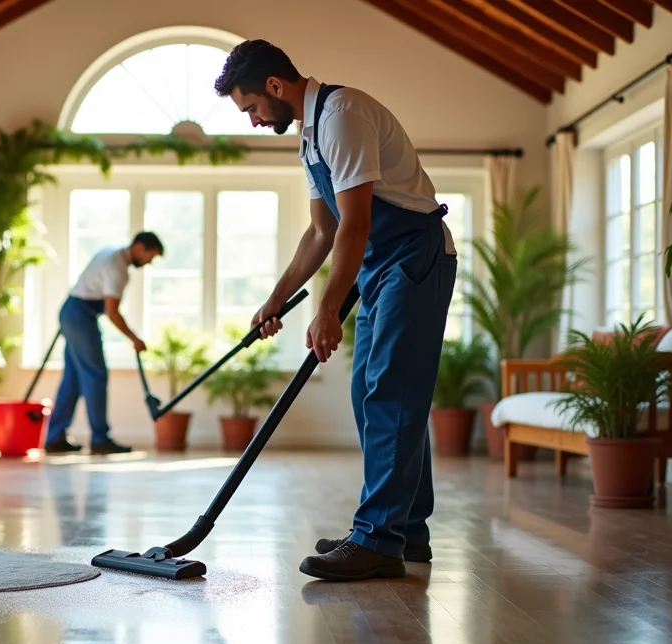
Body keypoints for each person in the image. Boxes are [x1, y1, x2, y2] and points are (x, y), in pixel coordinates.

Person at [214, 40, 456, 581]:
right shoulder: (309, 136)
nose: (253, 120)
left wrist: (327, 310)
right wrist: (276, 298)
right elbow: (321, 230)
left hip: (414, 258)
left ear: (276, 86)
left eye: (251, 108)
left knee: (391, 391)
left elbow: (356, 224)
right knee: (370, 390)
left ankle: (378, 539)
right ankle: (406, 530)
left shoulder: (342, 115)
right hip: (380, 268)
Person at [44, 232, 164, 455]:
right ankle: (100, 439)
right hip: (80, 315)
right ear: (139, 247)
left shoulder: (112, 252)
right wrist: (134, 338)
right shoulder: (117, 267)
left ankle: (55, 437)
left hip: (72, 311)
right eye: (151, 256)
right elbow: (112, 311)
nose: (149, 263)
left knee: (73, 379)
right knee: (96, 375)